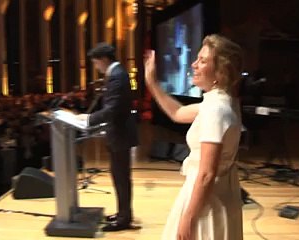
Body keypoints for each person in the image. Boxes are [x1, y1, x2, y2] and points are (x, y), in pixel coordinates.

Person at [144, 34, 244, 240]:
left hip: (207, 202)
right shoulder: (222, 102)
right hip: (220, 195)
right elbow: (177, 113)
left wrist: (188, 218)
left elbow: (207, 174)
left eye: (203, 60)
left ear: (220, 72)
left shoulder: (215, 109)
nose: (194, 64)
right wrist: (152, 82)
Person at [77, 42, 138, 232]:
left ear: (104, 59)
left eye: (96, 63)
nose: (97, 67)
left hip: (120, 134)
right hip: (118, 134)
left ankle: (124, 219)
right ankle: (123, 213)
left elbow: (112, 109)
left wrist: (89, 119)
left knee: (121, 177)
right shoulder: (117, 73)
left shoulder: (117, 76)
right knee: (119, 176)